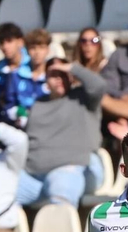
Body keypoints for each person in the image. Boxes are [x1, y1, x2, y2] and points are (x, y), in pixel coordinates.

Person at [19, 58, 107, 209]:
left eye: (63, 74)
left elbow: (99, 86)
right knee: (0, 189)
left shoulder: (83, 98)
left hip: (74, 170)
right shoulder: (38, 105)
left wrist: (72, 67)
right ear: (46, 79)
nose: (59, 79)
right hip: (34, 176)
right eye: (54, 74)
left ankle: (59, 231)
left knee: (61, 185)